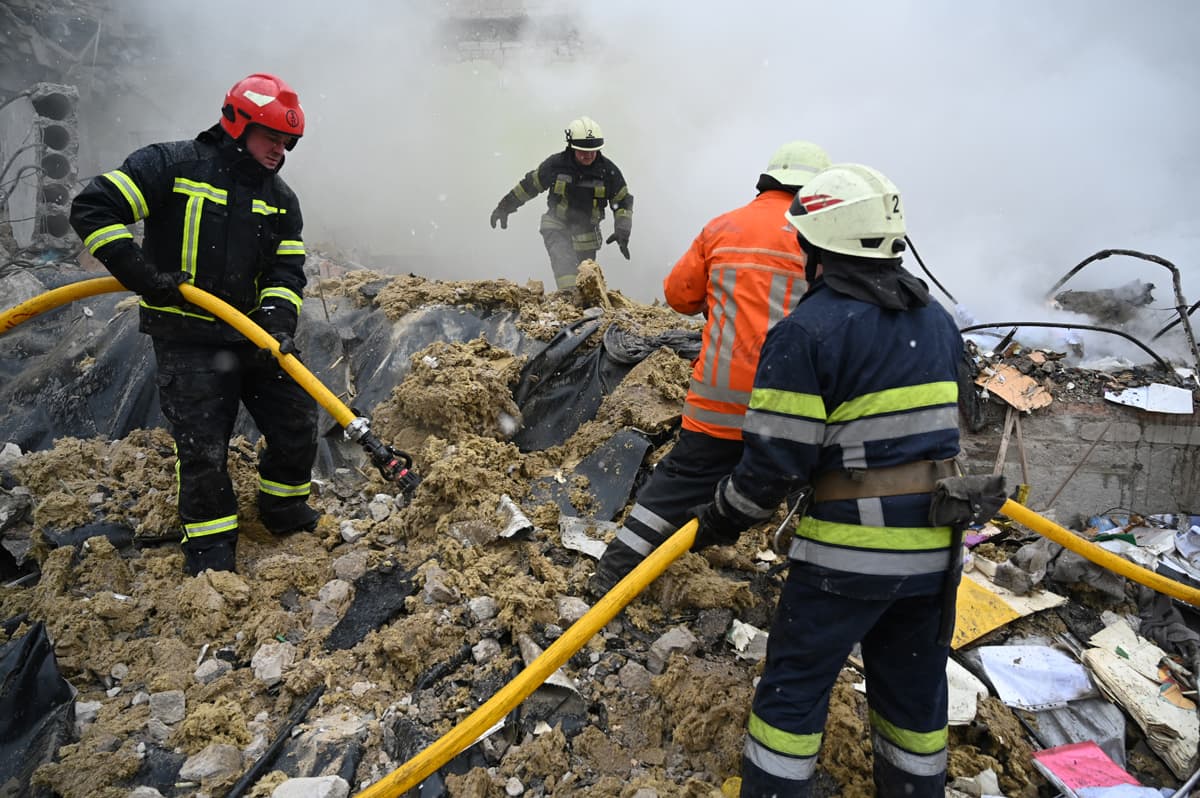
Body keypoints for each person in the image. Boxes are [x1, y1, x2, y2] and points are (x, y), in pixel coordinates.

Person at [689, 163, 964, 797]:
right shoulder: (938, 321)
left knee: (794, 696)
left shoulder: (807, 332)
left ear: (816, 246)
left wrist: (716, 521)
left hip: (848, 557)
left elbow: (773, 467)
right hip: (935, 553)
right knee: (914, 700)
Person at [69, 73, 320, 576]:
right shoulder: (170, 166)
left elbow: (285, 269)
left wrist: (276, 319)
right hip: (187, 337)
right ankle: (210, 549)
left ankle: (283, 509)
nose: (281, 150)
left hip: (251, 335)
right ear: (237, 124)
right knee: (203, 447)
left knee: (297, 422)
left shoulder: (281, 199)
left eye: (287, 141)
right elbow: (93, 208)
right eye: (271, 137)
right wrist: (145, 277)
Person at [587, 140, 831, 597]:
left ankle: (612, 576)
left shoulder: (722, 227)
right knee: (815, 490)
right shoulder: (826, 240)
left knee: (675, 487)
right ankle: (810, 593)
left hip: (718, 399)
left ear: (767, 181)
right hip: (791, 406)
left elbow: (680, 297)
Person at [490, 116, 634, 292]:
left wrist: (623, 230)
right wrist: (505, 206)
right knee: (564, 267)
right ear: (571, 146)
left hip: (587, 235)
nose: (588, 155)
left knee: (586, 279)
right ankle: (568, 304)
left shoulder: (608, 172)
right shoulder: (556, 165)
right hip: (556, 225)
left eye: (593, 151)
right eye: (583, 150)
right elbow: (529, 186)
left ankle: (584, 311)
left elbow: (623, 201)